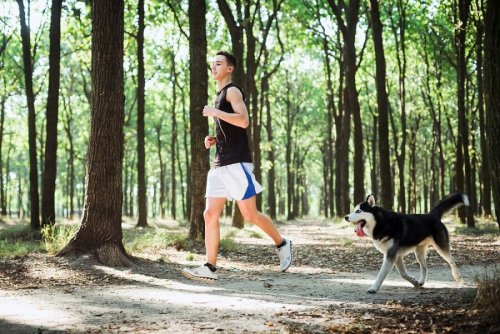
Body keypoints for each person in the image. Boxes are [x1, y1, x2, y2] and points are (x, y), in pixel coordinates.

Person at [182, 51, 292, 282]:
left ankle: (282, 243)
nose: (213, 67)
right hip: (220, 162)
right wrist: (214, 139)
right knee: (210, 214)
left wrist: (215, 112)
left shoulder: (232, 91)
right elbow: (229, 128)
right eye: (212, 64)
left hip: (237, 162)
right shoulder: (218, 95)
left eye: (218, 63)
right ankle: (210, 267)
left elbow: (243, 121)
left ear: (229, 69)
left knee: (250, 214)